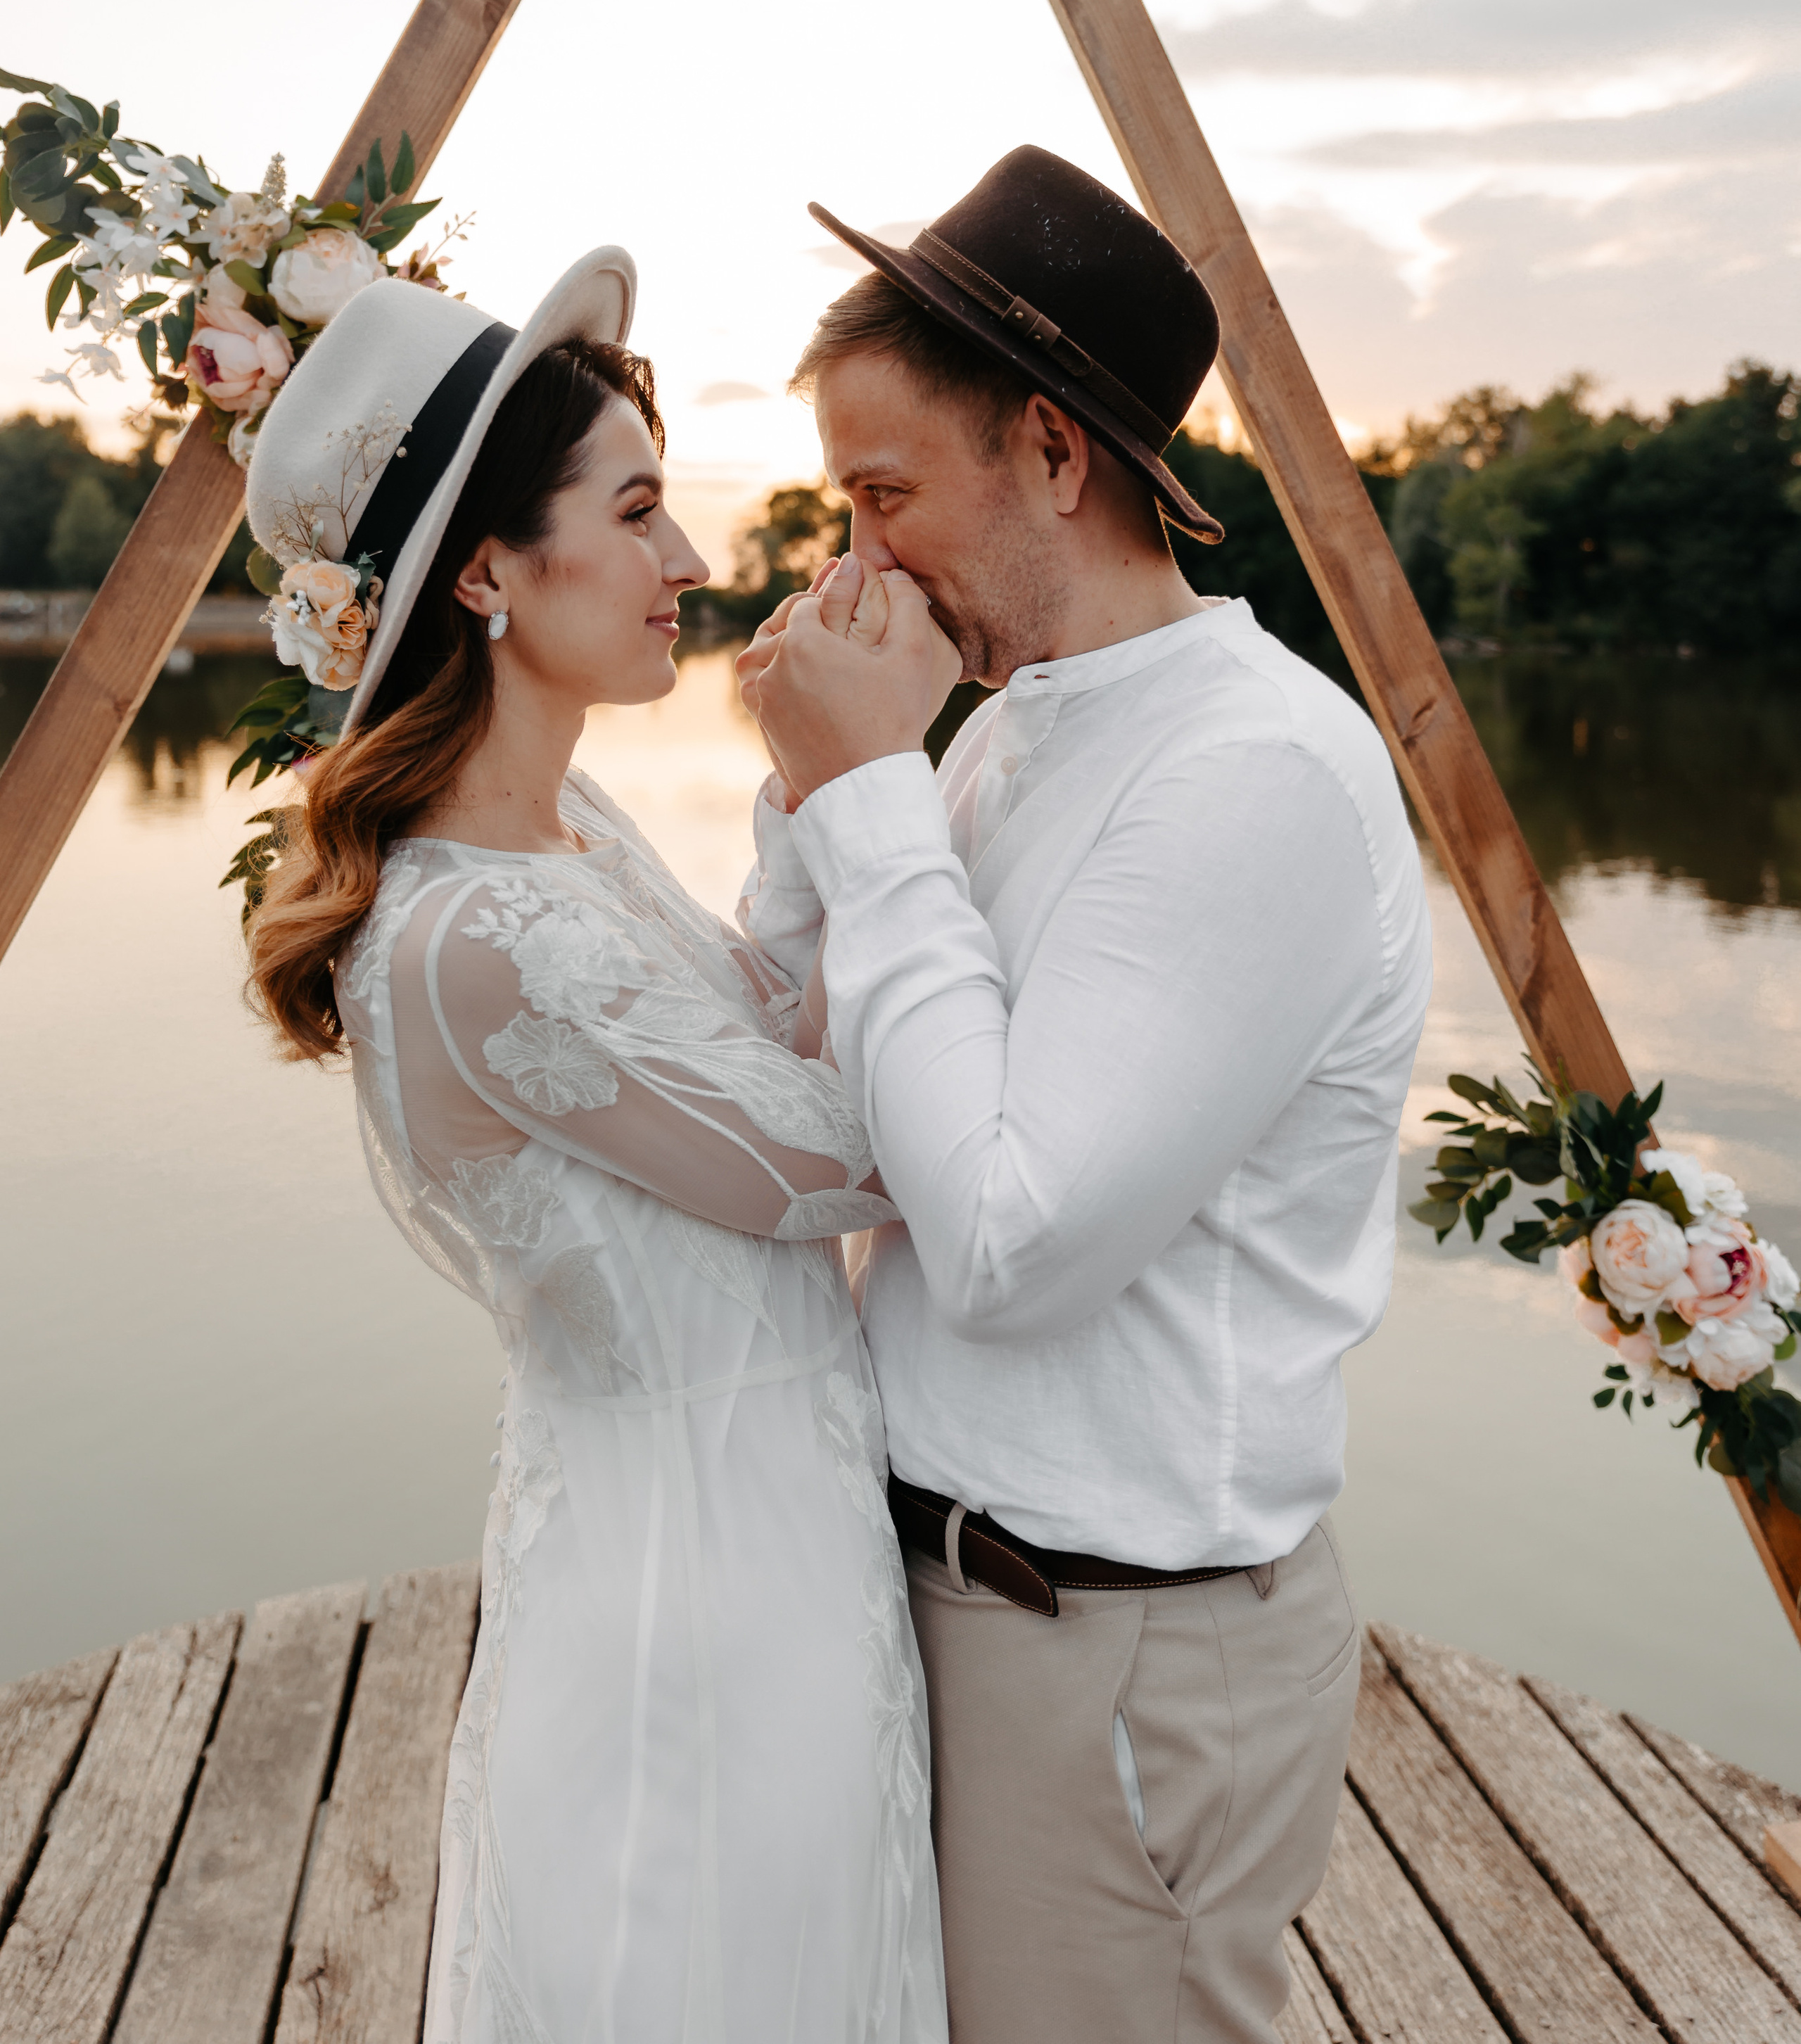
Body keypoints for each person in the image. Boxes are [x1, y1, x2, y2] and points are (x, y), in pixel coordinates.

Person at [739, 146, 1433, 2044]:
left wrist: (873, 796)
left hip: (1123, 1646)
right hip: (959, 1600)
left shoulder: (1254, 777)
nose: (860, 559)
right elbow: (827, 1111)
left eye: (885, 496)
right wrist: (823, 806)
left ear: (1053, 455)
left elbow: (1007, 1243)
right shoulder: (1003, 740)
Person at [241, 250, 948, 2044]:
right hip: (691, 1596)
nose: (692, 565)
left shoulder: (576, 835)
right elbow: (853, 1160)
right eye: (637, 511)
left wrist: (797, 804)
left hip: (772, 1550)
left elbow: (769, 1041)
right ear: (486, 567)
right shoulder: (478, 940)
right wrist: (875, 788)